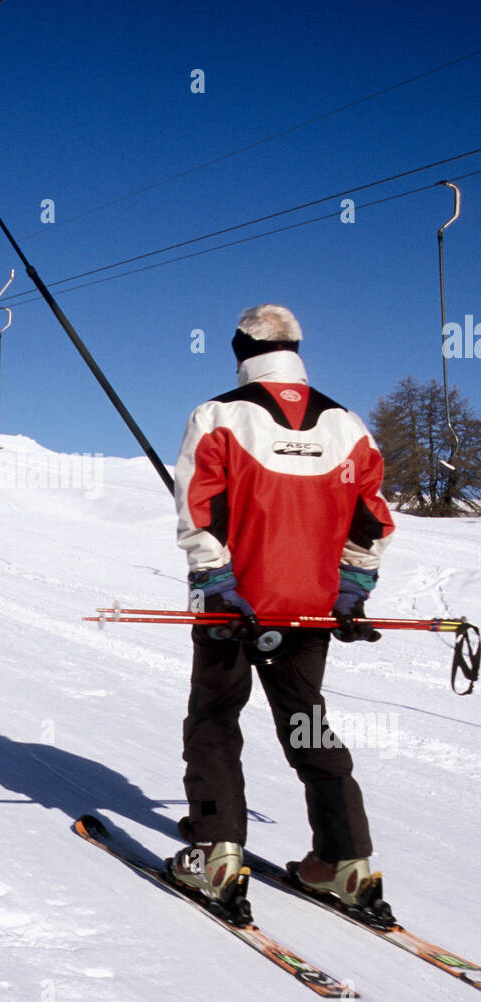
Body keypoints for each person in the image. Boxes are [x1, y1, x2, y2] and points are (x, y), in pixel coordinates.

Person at [170, 304, 395, 910]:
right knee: (306, 722)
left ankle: (217, 853)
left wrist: (215, 579)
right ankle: (346, 859)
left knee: (215, 719)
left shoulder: (218, 415)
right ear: (296, 347)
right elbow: (370, 518)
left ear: (239, 348)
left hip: (231, 605)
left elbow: (199, 507)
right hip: (311, 610)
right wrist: (353, 589)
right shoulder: (347, 426)